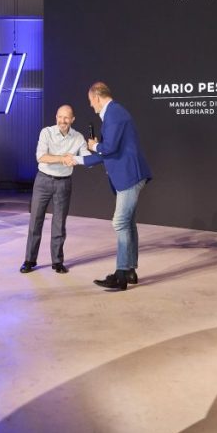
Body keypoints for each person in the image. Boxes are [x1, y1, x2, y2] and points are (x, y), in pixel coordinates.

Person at [79, 82, 152, 291]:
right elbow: (110, 151)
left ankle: (120, 275)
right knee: (127, 223)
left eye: (91, 101)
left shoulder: (114, 113)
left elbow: (109, 148)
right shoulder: (115, 113)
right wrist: (78, 159)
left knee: (119, 222)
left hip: (129, 176)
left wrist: (94, 145)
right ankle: (129, 271)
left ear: (97, 97)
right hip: (130, 175)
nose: (91, 106)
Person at [21, 104, 90, 274]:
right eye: (60, 117)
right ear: (56, 117)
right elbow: (41, 157)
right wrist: (63, 158)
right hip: (43, 181)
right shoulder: (46, 132)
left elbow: (87, 159)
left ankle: (57, 262)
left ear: (72, 119)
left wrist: (94, 149)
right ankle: (29, 260)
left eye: (66, 117)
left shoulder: (78, 137)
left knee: (59, 223)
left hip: (63, 183)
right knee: (35, 221)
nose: (62, 121)